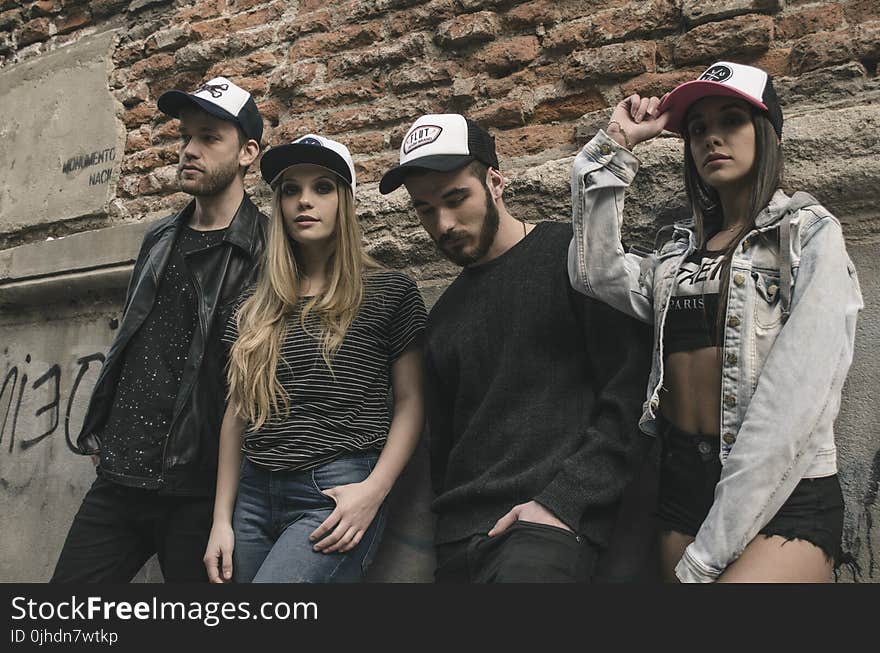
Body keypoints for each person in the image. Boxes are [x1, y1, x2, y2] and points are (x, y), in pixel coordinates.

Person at [568, 61, 863, 582]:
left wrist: (706, 558)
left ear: (766, 131)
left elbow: (796, 398)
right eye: (698, 129)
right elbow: (596, 273)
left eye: (732, 120)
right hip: (683, 481)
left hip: (781, 488)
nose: (712, 139)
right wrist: (615, 146)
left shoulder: (807, 234)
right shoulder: (677, 252)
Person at [379, 114, 652, 582]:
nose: (443, 224)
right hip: (457, 545)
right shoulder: (442, 316)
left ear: (496, 182)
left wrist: (564, 503)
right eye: (425, 209)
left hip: (546, 532)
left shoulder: (574, 260)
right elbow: (443, 449)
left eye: (455, 198)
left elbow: (631, 396)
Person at [52, 77, 268, 582]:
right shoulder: (160, 238)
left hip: (198, 492)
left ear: (247, 153)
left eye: (210, 137)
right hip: (119, 478)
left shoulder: (268, 249)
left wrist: (225, 510)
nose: (190, 149)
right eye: (186, 136)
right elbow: (131, 343)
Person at [203, 134, 426, 583]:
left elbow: (411, 402)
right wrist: (220, 520)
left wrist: (374, 492)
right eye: (291, 190)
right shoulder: (253, 305)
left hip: (335, 489)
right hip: (252, 494)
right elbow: (236, 414)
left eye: (322, 187)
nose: (305, 201)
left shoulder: (388, 293)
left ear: (345, 201)